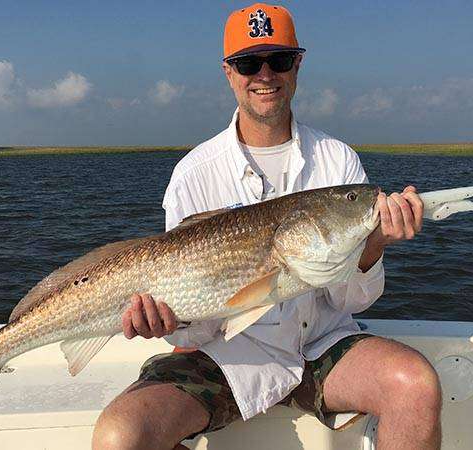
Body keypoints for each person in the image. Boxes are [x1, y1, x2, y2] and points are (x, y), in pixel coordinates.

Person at [92, 4, 441, 449]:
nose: (265, 74)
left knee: (416, 384)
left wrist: (372, 248)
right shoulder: (194, 174)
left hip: (320, 345)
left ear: (297, 64)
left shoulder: (338, 162)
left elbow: (352, 300)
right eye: (248, 62)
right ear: (228, 72)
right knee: (119, 436)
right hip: (224, 356)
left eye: (278, 60)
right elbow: (196, 331)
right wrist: (166, 324)